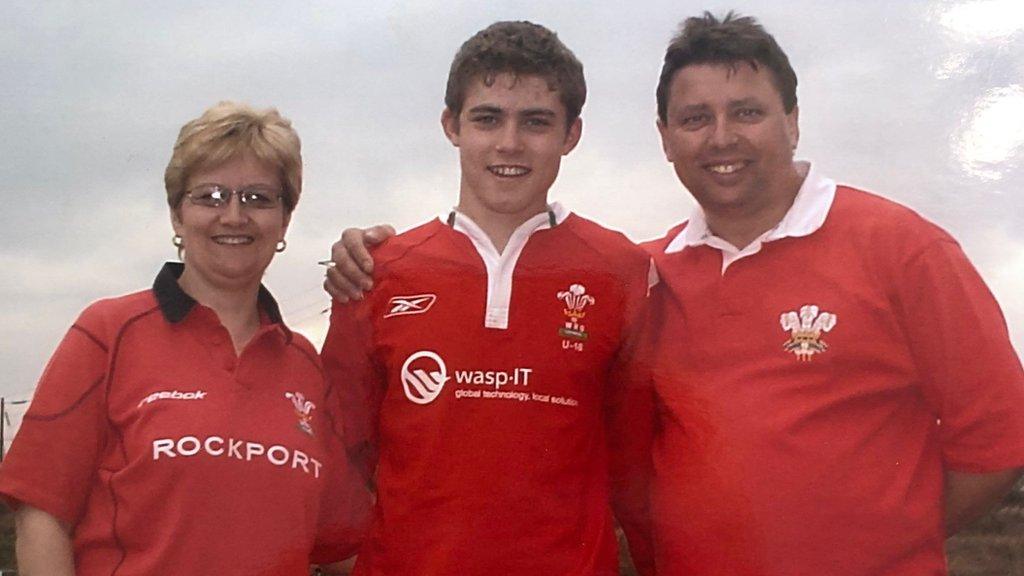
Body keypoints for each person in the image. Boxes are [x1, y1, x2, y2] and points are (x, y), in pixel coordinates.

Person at [326, 12, 1024, 576]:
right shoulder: (652, 269)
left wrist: (880, 537)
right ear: (665, 138)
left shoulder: (898, 247)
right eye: (695, 119)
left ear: (793, 119)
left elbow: (995, 443)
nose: (722, 138)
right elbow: (346, 448)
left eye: (746, 111)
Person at [320, 21, 653, 575]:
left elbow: (639, 464)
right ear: (451, 125)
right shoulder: (378, 273)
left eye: (537, 122)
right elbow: (338, 455)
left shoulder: (622, 271)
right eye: (488, 117)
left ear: (571, 134)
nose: (509, 143)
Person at [0, 101, 370, 576]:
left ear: (284, 221)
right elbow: (42, 515)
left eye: (258, 198)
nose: (234, 215)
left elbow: (343, 542)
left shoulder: (306, 367)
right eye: (211, 196)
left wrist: (392, 262)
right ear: (177, 216)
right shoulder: (108, 334)